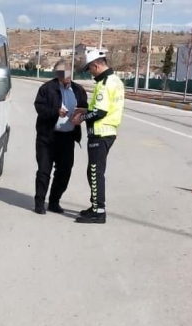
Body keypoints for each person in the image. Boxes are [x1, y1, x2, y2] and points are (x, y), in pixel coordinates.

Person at [72, 51, 124, 224]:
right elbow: (104, 108)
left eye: (90, 69)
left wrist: (81, 118)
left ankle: (99, 212)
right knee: (94, 171)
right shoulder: (116, 81)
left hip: (100, 133)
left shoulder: (104, 84)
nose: (90, 73)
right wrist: (85, 110)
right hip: (108, 132)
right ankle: (95, 206)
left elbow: (100, 112)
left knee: (95, 172)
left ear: (96, 65)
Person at [32, 59, 88, 214]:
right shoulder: (46, 89)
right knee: (44, 171)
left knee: (64, 171)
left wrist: (80, 116)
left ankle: (54, 201)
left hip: (68, 137)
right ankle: (39, 203)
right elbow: (40, 108)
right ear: (57, 74)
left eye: (69, 73)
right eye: (64, 73)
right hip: (47, 137)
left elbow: (85, 108)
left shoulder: (78, 90)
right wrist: (56, 112)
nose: (67, 76)